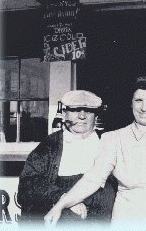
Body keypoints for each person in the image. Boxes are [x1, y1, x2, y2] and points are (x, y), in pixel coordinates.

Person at [44, 76, 146, 228]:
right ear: (131, 104)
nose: (144, 108)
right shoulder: (113, 138)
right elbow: (93, 179)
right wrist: (59, 206)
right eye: (138, 101)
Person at [17, 90, 117, 227]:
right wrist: (61, 197)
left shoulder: (109, 141)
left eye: (88, 111)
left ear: (96, 115)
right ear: (65, 114)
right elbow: (27, 184)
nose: (82, 116)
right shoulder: (50, 145)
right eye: (76, 110)